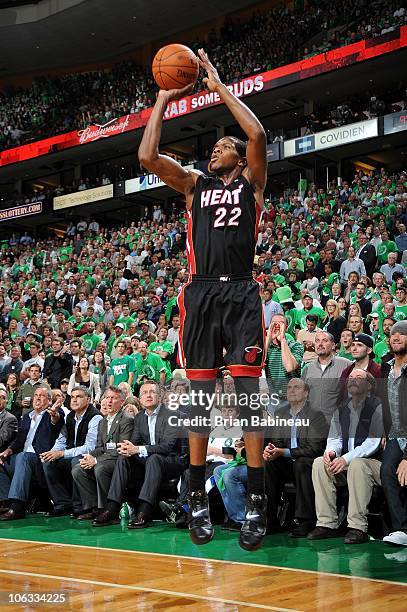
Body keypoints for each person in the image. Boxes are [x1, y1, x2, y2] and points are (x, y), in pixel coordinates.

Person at [138, 48, 268, 551]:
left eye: (221, 147)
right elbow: (148, 158)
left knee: (248, 398)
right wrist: (162, 100)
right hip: (199, 291)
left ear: (237, 157)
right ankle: (195, 496)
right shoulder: (195, 186)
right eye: (212, 147)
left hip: (240, 288)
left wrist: (216, 86)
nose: (213, 151)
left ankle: (256, 503)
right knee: (199, 397)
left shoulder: (253, 185)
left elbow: (256, 134)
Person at [92, 380, 185, 528]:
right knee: (124, 458)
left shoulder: (173, 415)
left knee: (154, 458)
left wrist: (138, 449)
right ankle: (112, 508)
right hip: (148, 461)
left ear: (160, 397)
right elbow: (134, 442)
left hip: (170, 462)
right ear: (140, 398)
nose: (148, 395)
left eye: (152, 392)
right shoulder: (140, 417)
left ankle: (145, 511)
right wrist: (127, 448)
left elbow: (167, 447)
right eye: (144, 393)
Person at [309, 369, 383, 544]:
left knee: (357, 464)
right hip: (348, 463)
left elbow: (372, 443)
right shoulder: (342, 407)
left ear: (369, 385)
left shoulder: (377, 406)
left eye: (359, 378)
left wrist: (345, 459)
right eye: (350, 378)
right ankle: (326, 523)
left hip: (375, 464)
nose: (353, 380)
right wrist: (332, 453)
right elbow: (334, 437)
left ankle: (358, 527)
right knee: (320, 463)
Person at [264, 378, 328, 537]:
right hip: (287, 463)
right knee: (268, 463)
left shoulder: (316, 415)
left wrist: (283, 452)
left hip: (308, 464)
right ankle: (269, 519)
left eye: (296, 387)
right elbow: (277, 441)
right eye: (289, 388)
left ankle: (305, 521)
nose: (291, 390)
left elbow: (314, 449)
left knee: (301, 463)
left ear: (306, 393)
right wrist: (272, 451)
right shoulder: (280, 413)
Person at [0, 387, 64, 520]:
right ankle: (6, 504)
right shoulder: (27, 416)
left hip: (40, 461)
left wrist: (54, 414)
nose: (38, 398)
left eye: (42, 395)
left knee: (24, 456)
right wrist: (8, 451)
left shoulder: (53, 413)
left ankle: (17, 507)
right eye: (36, 395)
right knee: (1, 462)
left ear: (49, 400)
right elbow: (18, 442)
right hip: (22, 460)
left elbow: (56, 421)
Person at [72, 386, 134, 520]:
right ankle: (93, 508)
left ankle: (107, 510)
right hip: (105, 458)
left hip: (119, 461)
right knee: (78, 468)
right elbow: (100, 447)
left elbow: (122, 448)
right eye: (107, 397)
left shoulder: (126, 419)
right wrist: (90, 456)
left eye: (114, 398)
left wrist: (96, 460)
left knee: (100, 468)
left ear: (122, 401)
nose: (109, 401)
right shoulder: (103, 422)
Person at [40, 387, 102, 516]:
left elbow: (90, 447)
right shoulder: (70, 417)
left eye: (78, 397)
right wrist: (51, 453)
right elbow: (61, 440)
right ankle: (62, 504)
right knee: (48, 463)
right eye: (72, 397)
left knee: (76, 461)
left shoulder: (95, 417)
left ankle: (80, 506)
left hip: (92, 457)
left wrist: (62, 453)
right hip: (72, 454)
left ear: (88, 399)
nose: (74, 400)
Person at [381, 321, 407, 546]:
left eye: (401, 334)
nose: (396, 337)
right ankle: (401, 529)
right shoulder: (385, 367)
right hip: (393, 434)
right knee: (387, 472)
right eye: (392, 334)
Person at [302, 331, 351, 423]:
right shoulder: (307, 368)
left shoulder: (346, 365)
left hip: (337, 426)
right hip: (313, 426)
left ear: (333, 345)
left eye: (324, 340)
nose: (320, 344)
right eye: (317, 341)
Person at [265, 314, 304, 400]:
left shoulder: (295, 346)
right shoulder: (266, 347)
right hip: (274, 397)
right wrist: (268, 339)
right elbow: (258, 364)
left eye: (281, 323)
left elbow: (289, 367)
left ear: (286, 328)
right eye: (274, 323)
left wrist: (282, 340)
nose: (277, 325)